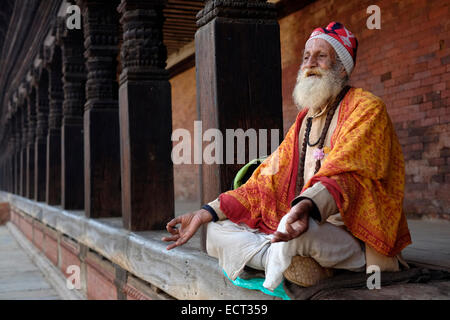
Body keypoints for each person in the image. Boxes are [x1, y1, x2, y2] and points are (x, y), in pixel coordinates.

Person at [162, 22, 411, 291]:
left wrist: (305, 208)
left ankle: (279, 260)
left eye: (321, 56)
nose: (310, 64)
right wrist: (207, 211)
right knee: (213, 230)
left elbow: (347, 175)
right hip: (301, 220)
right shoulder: (305, 120)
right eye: (306, 57)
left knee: (296, 235)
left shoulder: (367, 109)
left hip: (352, 233)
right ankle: (282, 259)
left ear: (342, 67)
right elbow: (267, 178)